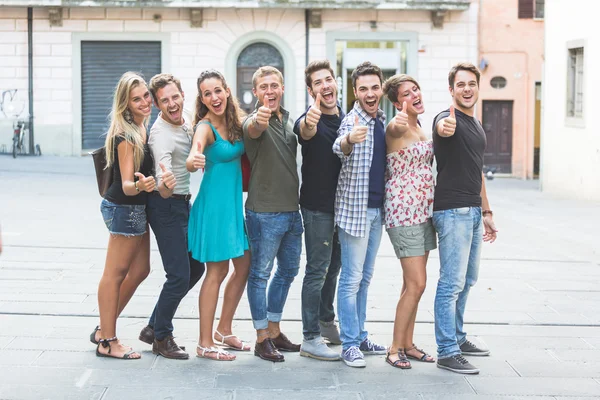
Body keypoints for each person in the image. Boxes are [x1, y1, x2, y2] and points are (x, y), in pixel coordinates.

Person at [432, 62, 498, 375]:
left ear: (477, 87)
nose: (467, 89)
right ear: (452, 89)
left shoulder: (476, 124)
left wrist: (487, 211)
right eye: (461, 84)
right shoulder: (447, 119)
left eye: (471, 83)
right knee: (451, 283)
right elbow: (442, 128)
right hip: (451, 211)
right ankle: (446, 350)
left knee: (468, 280)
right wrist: (445, 125)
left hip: (471, 211)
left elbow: (478, 170)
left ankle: (457, 338)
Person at [140, 73, 206, 360]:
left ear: (182, 94)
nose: (172, 104)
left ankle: (153, 325)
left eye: (175, 96)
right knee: (179, 275)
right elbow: (163, 174)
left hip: (183, 205)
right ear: (157, 104)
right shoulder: (160, 136)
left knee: (196, 268)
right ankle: (162, 336)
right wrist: (165, 182)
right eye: (164, 100)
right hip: (165, 206)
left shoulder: (186, 118)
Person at [187, 69, 251, 361]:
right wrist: (193, 158)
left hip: (232, 208)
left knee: (244, 265)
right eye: (207, 93)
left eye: (218, 90)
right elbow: (196, 149)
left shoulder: (235, 122)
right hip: (213, 208)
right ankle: (203, 342)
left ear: (227, 91)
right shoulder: (205, 125)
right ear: (202, 99)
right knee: (217, 272)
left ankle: (223, 329)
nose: (214, 97)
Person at [244, 66, 302, 362]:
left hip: (293, 211)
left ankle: (275, 330)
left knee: (289, 271)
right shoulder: (254, 121)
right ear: (256, 92)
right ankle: (261, 337)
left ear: (282, 87)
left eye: (274, 85)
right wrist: (259, 118)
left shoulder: (289, 119)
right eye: (263, 87)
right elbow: (254, 128)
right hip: (264, 213)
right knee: (260, 275)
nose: (270, 91)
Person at [95, 71, 155, 359]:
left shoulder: (143, 127)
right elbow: (128, 185)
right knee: (114, 275)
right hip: (124, 208)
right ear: (126, 104)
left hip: (135, 209)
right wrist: (142, 184)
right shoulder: (126, 135)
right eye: (137, 99)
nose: (145, 102)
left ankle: (103, 327)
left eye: (146, 95)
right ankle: (107, 341)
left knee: (141, 270)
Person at [332, 61, 388, 368]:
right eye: (363, 88)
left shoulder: (380, 119)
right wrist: (349, 140)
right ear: (355, 92)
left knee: (365, 278)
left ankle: (361, 335)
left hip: (377, 211)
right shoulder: (352, 120)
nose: (369, 93)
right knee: (351, 279)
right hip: (355, 213)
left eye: (374, 87)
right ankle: (349, 344)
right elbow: (339, 146)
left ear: (381, 88)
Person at [381, 74, 436, 369]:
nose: (414, 94)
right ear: (395, 102)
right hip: (404, 213)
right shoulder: (399, 126)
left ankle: (408, 344)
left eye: (416, 89)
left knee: (411, 284)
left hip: (423, 212)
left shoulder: (419, 125)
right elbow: (393, 127)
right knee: (417, 283)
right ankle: (394, 348)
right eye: (406, 93)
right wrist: (398, 119)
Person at [294, 60, 343, 361]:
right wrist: (310, 121)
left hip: (344, 209)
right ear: (310, 90)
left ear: (336, 82)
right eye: (318, 82)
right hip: (317, 208)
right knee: (316, 270)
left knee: (334, 268)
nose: (325, 85)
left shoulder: (348, 119)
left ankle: (326, 321)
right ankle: (310, 337)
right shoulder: (309, 120)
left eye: (329, 79)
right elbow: (305, 131)